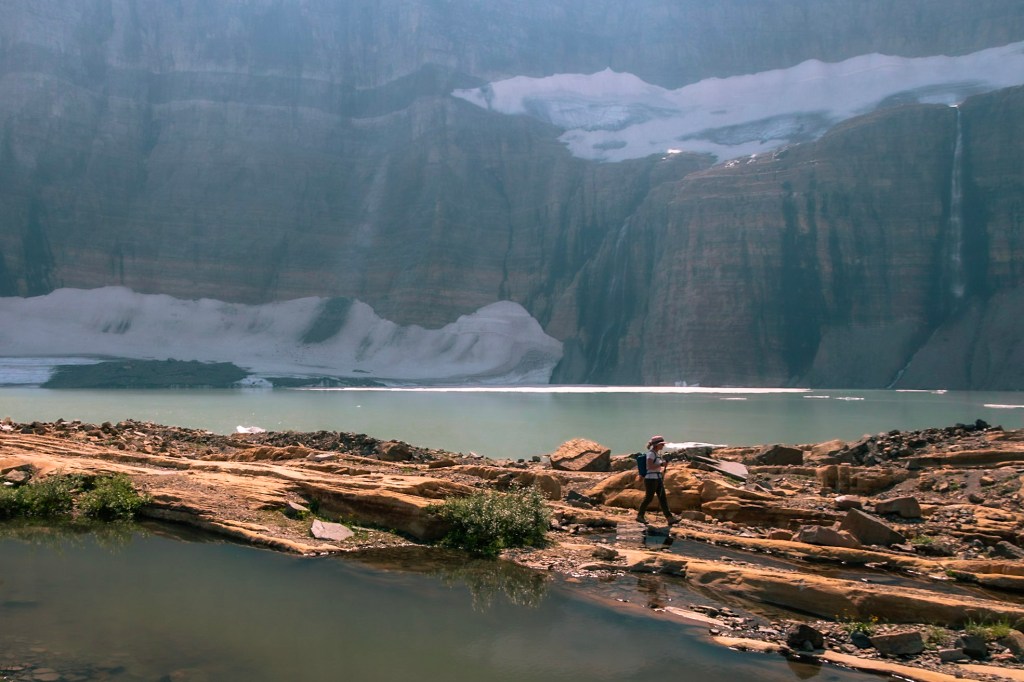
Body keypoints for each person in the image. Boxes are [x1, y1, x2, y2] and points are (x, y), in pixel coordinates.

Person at [637, 435, 680, 525]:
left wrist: (663, 464)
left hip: (657, 478)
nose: (663, 446)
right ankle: (640, 516)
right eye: (661, 444)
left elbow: (656, 465)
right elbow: (649, 466)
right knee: (649, 498)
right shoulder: (651, 454)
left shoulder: (656, 454)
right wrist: (661, 464)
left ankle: (669, 518)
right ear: (656, 445)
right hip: (651, 479)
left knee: (662, 498)